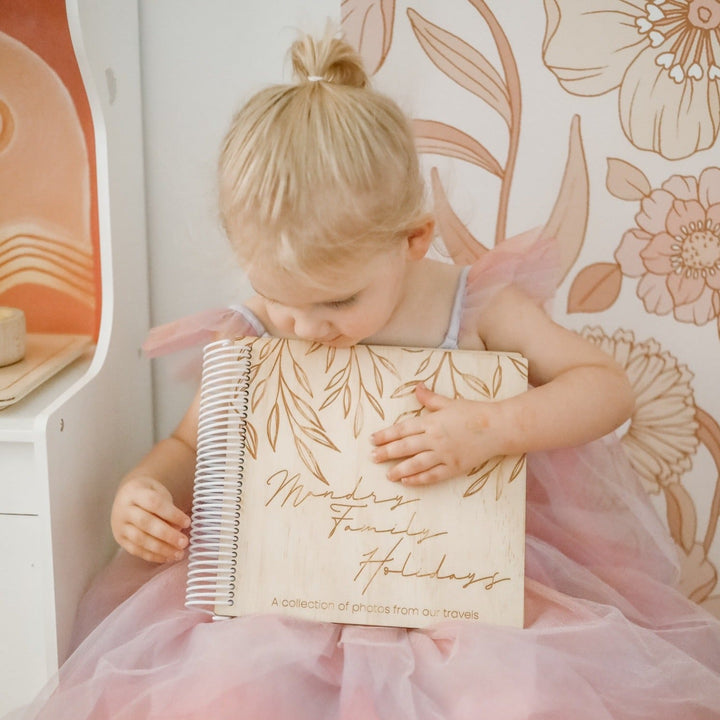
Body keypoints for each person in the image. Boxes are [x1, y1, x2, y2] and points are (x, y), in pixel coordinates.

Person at [12, 30, 720, 720]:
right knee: (230, 697)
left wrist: (490, 427)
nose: (306, 328)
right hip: (285, 603)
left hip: (464, 589)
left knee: (520, 697)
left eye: (337, 301)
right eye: (280, 298)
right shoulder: (255, 330)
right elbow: (192, 449)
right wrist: (141, 491)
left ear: (413, 240)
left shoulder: (473, 305)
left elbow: (606, 387)